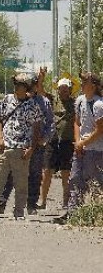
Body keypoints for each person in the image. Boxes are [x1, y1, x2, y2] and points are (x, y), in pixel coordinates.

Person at [0, 72, 43, 220]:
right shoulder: (7, 100)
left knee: (21, 184)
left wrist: (31, 148)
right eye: (16, 84)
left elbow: (37, 128)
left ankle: (19, 212)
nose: (17, 87)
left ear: (26, 87)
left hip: (21, 149)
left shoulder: (32, 105)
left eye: (20, 85)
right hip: (4, 147)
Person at [0, 69, 54, 215]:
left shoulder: (44, 102)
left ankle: (31, 204)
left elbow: (50, 124)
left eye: (34, 84)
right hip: (18, 144)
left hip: (36, 146)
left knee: (34, 175)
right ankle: (2, 203)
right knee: (11, 174)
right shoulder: (18, 99)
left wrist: (44, 139)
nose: (32, 88)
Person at [54, 72, 103, 224]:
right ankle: (73, 212)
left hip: (95, 150)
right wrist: (78, 141)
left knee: (94, 181)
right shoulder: (80, 101)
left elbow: (100, 130)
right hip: (81, 148)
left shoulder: (98, 104)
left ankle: (96, 212)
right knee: (74, 179)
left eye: (84, 82)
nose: (81, 84)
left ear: (93, 86)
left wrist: (84, 142)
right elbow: (77, 122)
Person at [39, 78, 75, 210]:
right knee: (47, 171)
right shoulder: (53, 100)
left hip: (68, 142)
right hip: (53, 140)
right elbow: (40, 90)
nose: (63, 90)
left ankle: (66, 203)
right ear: (58, 89)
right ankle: (42, 202)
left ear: (70, 90)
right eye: (61, 88)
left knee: (66, 173)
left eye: (66, 88)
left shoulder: (76, 103)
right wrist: (42, 77)